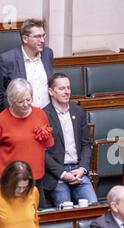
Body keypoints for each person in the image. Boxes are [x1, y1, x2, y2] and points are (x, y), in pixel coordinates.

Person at [0, 78, 54, 208]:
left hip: (35, 178)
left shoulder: (40, 114)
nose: (25, 104)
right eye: (20, 101)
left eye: (28, 100)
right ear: (11, 101)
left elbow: (47, 144)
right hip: (8, 181)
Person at [43, 73, 97, 207]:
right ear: (51, 91)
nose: (66, 92)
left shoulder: (78, 112)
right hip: (57, 175)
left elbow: (86, 144)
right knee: (66, 210)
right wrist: (62, 174)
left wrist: (83, 169)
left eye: (68, 88)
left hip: (78, 171)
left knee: (93, 207)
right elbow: (42, 152)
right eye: (61, 88)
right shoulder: (43, 115)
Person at [0, 19, 54, 109]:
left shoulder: (48, 54)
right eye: (37, 37)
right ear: (25, 39)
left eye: (43, 36)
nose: (42, 40)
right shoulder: (6, 60)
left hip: (46, 114)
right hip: (20, 116)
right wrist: (13, 110)